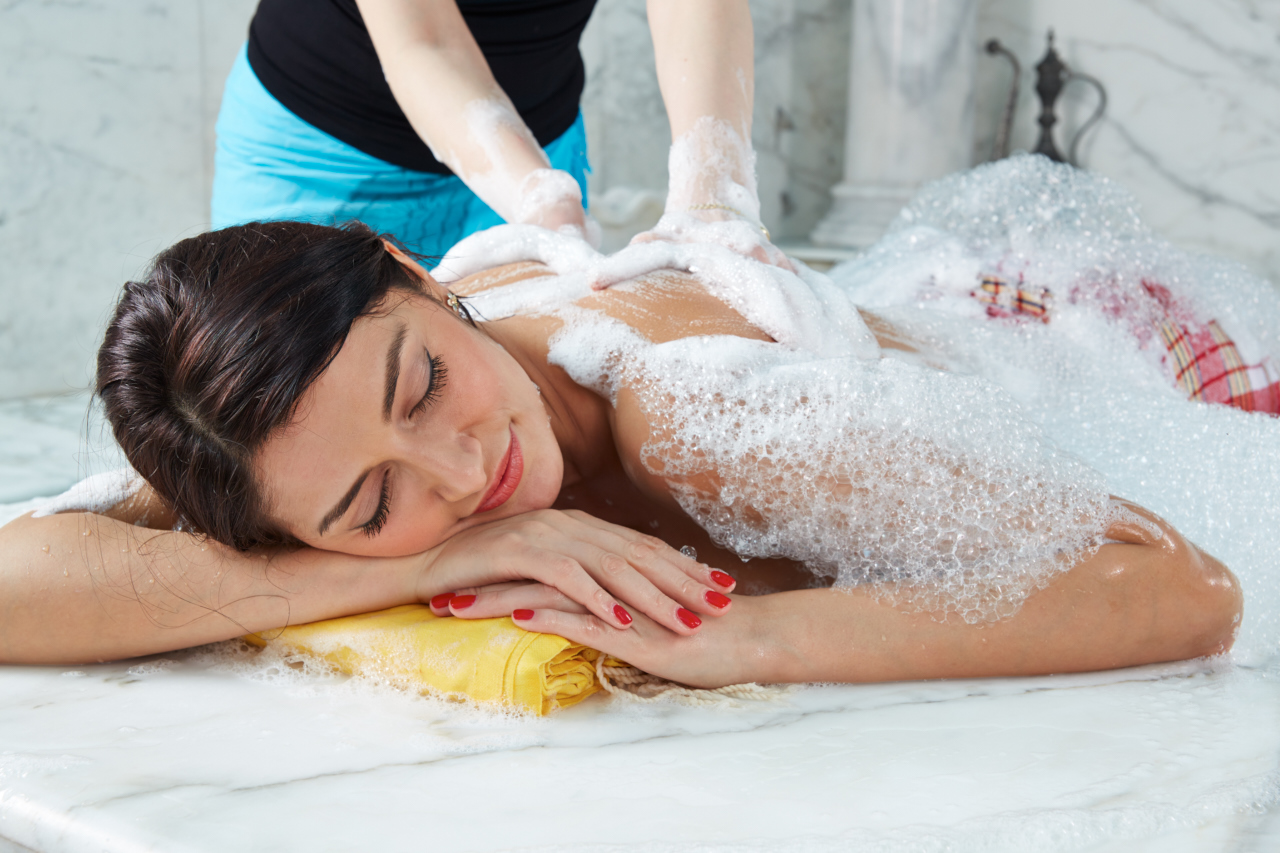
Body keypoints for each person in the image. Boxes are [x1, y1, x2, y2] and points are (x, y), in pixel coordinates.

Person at [0, 220, 1240, 686]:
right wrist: (424, 561)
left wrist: (745, 641)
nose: (459, 474)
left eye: (425, 385)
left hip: (1095, 334)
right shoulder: (276, 437)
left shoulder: (702, 424)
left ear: (411, 269)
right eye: (370, 505)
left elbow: (1184, 590)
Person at [213, 0, 790, 270]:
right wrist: (539, 200)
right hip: (320, 154)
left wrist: (714, 194)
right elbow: (425, 41)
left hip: (540, 143)